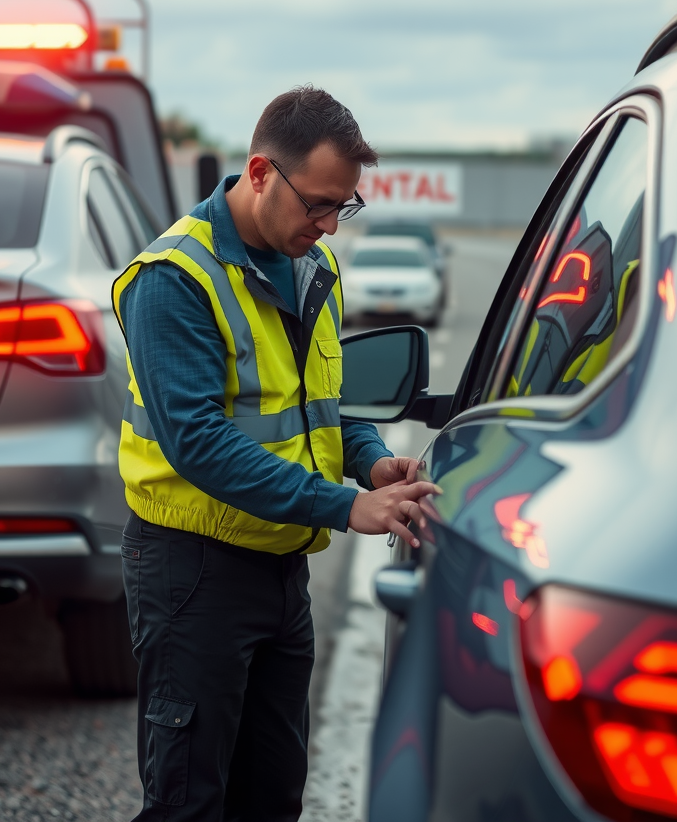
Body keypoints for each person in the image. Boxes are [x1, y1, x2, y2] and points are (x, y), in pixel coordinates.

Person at [112, 85, 438, 821]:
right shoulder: (173, 281)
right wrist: (348, 505)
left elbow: (320, 404)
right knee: (189, 800)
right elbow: (199, 443)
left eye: (342, 208)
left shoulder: (310, 266)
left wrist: (371, 460)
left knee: (272, 795)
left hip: (279, 569)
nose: (326, 226)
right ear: (260, 173)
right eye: (318, 205)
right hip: (192, 571)